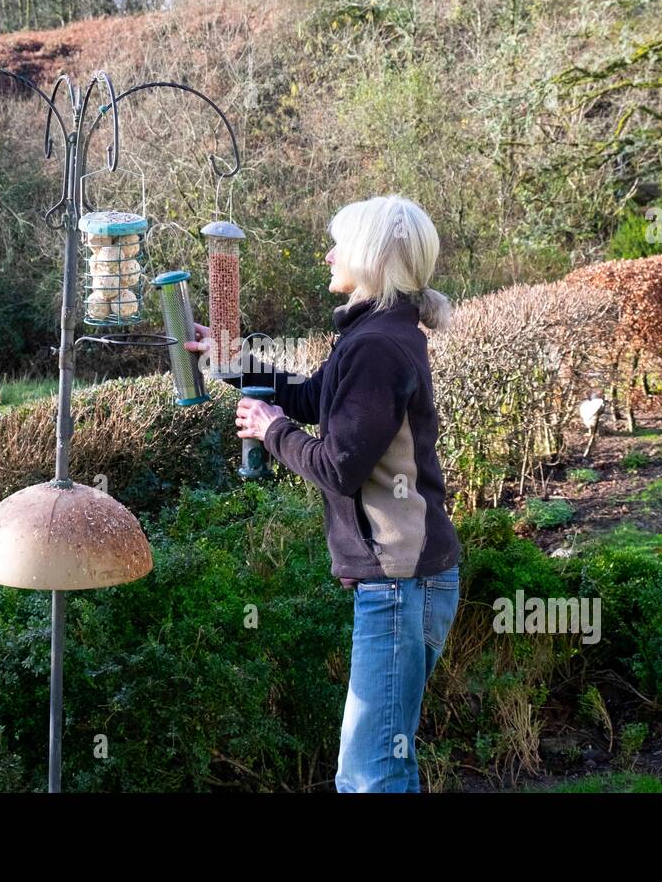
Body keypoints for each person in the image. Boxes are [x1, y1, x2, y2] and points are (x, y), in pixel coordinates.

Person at [185, 194, 462, 792]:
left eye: (339, 243)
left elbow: (338, 466)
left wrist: (269, 430)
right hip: (410, 574)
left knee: (369, 775)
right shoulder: (379, 335)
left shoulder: (376, 347)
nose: (328, 254)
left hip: (397, 581)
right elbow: (316, 400)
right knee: (384, 764)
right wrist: (231, 362)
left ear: (370, 256)